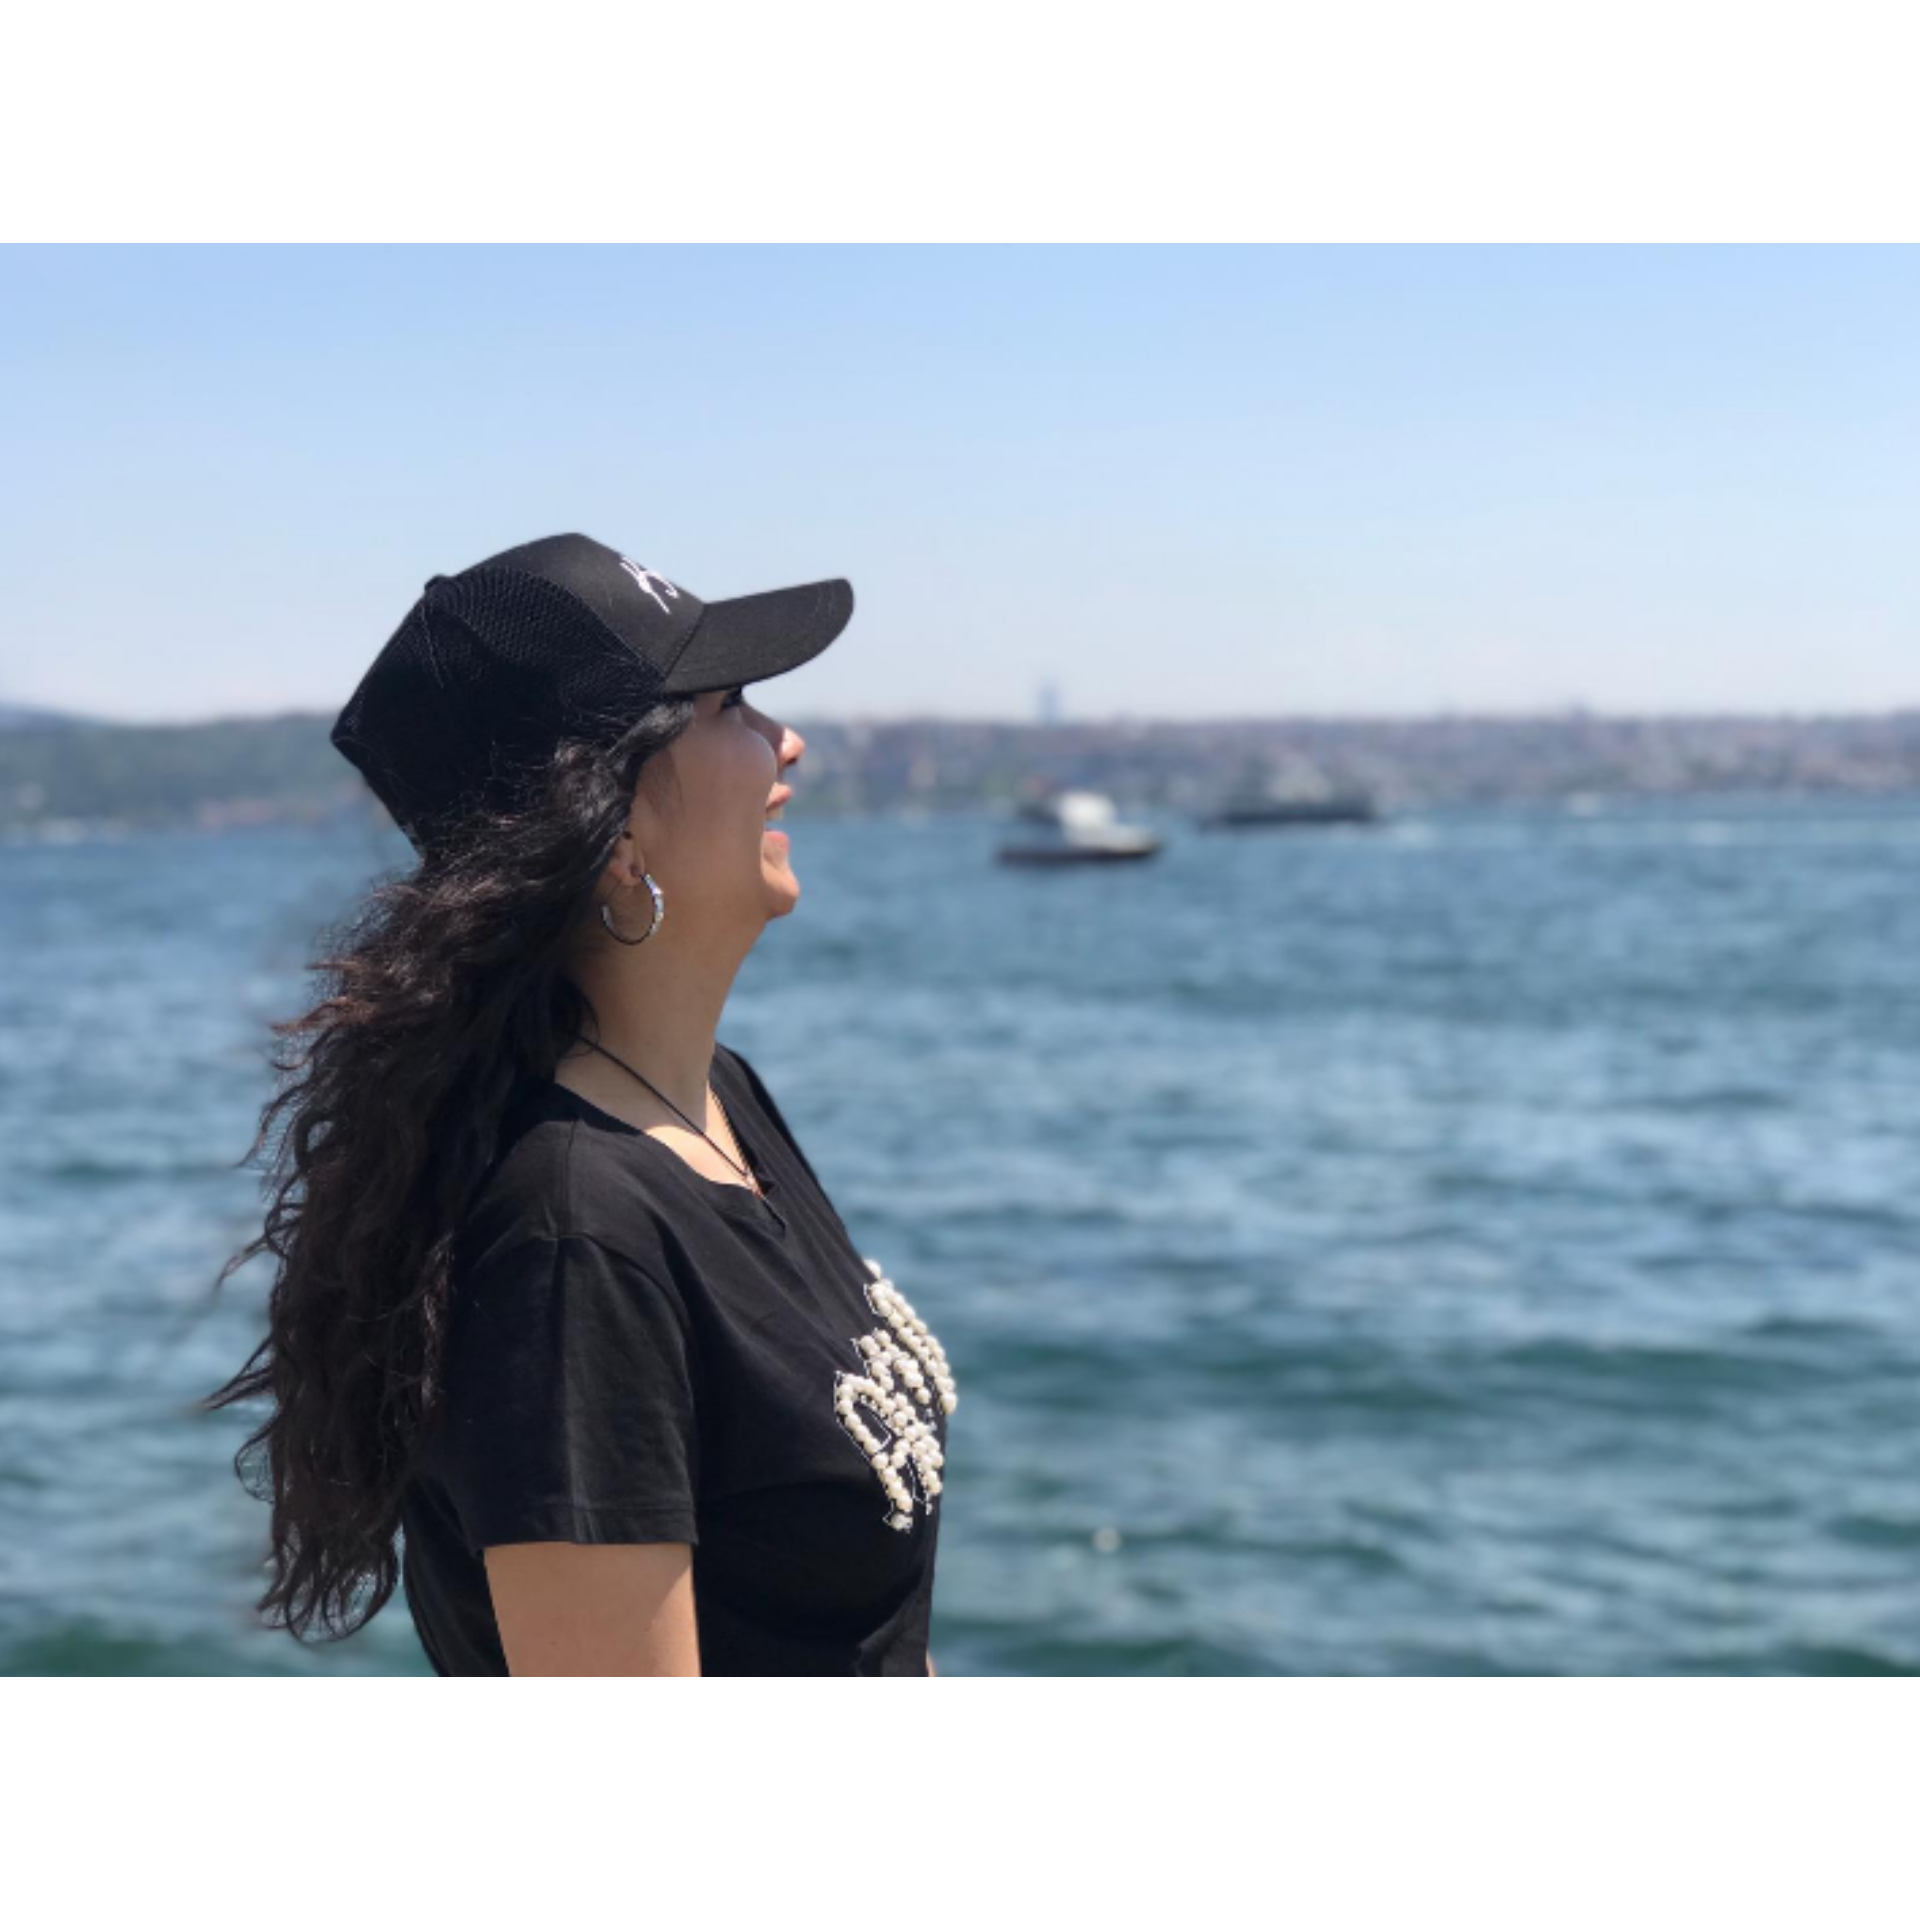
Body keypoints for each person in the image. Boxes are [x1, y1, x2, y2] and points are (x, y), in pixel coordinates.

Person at [202, 533, 958, 1676]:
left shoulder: (716, 1097)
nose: (787, 738)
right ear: (612, 828)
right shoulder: (572, 1243)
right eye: (727, 706)